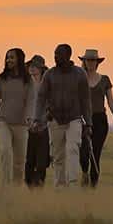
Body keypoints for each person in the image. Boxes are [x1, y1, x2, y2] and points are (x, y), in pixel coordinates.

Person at [36, 43, 91, 187]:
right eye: (55, 54)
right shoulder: (49, 74)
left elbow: (85, 100)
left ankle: (72, 183)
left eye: (59, 54)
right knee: (58, 154)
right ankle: (60, 185)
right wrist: (37, 118)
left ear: (68, 55)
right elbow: (41, 97)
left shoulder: (79, 74)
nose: (56, 57)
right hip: (55, 119)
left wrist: (89, 123)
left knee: (73, 149)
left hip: (74, 119)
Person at [0, 47, 31, 187]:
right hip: (4, 121)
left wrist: (29, 118)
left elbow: (31, 101)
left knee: (19, 160)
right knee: (5, 151)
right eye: (7, 57)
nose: (8, 60)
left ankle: (16, 188)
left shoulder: (27, 80)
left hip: (22, 124)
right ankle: (5, 186)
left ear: (19, 59)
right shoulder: (1, 79)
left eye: (12, 57)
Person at [77, 49, 113, 187]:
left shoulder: (104, 80)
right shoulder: (79, 79)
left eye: (93, 60)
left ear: (97, 62)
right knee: (84, 152)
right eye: (88, 60)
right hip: (83, 119)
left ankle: (93, 185)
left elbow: (110, 100)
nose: (90, 63)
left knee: (95, 153)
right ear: (84, 62)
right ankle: (84, 172)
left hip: (100, 120)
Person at [23, 55, 50, 187]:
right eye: (30, 66)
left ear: (41, 68)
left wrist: (41, 121)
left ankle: (39, 186)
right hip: (29, 127)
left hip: (44, 128)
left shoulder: (47, 85)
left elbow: (50, 106)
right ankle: (30, 186)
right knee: (29, 161)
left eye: (35, 66)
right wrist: (27, 120)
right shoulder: (26, 85)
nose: (32, 68)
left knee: (41, 161)